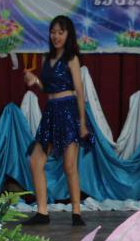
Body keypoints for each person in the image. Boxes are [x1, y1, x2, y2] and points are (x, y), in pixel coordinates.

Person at [22, 15, 92, 226]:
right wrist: (35, 80)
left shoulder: (71, 58)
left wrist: (82, 123)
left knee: (69, 166)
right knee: (35, 160)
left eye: (60, 32)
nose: (56, 36)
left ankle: (76, 212)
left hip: (68, 111)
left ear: (68, 34)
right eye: (53, 32)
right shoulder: (47, 59)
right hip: (51, 112)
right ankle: (42, 212)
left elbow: (79, 91)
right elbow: (48, 89)